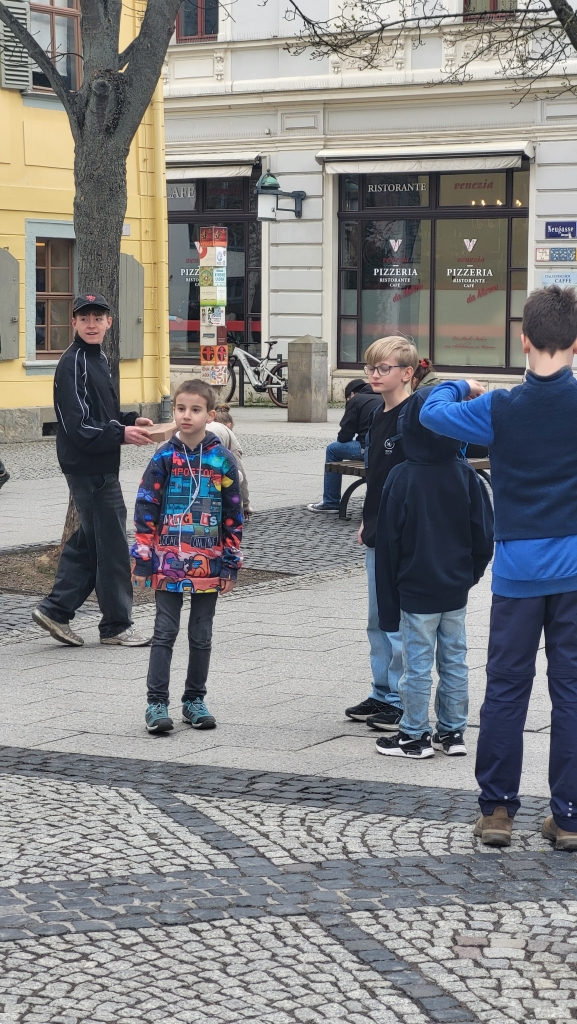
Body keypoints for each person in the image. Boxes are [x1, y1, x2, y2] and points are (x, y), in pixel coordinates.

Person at [420, 284, 577, 852]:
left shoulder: (500, 407)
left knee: (507, 689)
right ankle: (569, 816)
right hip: (575, 569)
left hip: (518, 570)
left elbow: (431, 414)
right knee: (573, 691)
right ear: (576, 342)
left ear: (524, 339)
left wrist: (460, 382)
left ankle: (497, 813)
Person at [374, 390, 494, 760]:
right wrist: (468, 576)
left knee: (417, 665)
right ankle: (453, 732)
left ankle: (413, 735)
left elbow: (388, 544)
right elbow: (484, 536)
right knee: (455, 660)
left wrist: (388, 601)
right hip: (454, 588)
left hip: (415, 587)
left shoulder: (401, 476)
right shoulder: (467, 476)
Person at [33, 293, 154, 648]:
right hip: (88, 468)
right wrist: (121, 434)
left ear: (109, 323)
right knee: (113, 545)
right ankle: (116, 626)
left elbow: (102, 411)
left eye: (97, 317)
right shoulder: (72, 363)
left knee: (90, 542)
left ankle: (55, 610)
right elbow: (76, 425)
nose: (91, 324)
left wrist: (130, 420)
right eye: (84, 318)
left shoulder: (98, 358)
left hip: (99, 464)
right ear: (73, 323)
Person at [132, 379, 243, 735]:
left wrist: (230, 562)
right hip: (167, 560)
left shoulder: (222, 459)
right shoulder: (164, 455)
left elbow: (233, 515)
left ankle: (194, 699)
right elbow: (146, 505)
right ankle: (156, 703)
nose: (186, 415)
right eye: (180, 408)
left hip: (208, 562)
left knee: (201, 633)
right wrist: (144, 556)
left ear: (210, 416)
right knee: (164, 632)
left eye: (195, 410)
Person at [344, 337, 420, 730]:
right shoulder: (377, 414)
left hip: (403, 534)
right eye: (371, 368)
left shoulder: (415, 415)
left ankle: (403, 698)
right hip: (377, 528)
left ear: (407, 373)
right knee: (377, 618)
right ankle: (381, 690)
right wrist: (366, 520)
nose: (374, 374)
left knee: (399, 619)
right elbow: (377, 478)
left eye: (383, 368)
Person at [307, 378, 382, 513]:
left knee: (332, 449)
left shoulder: (356, 400)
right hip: (387, 450)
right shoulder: (384, 396)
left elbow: (345, 433)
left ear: (352, 394)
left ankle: (331, 502)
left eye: (347, 398)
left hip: (367, 448)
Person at [211, 403, 253, 517]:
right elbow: (240, 474)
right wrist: (245, 506)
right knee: (235, 476)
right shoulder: (227, 433)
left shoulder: (205, 425)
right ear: (229, 425)